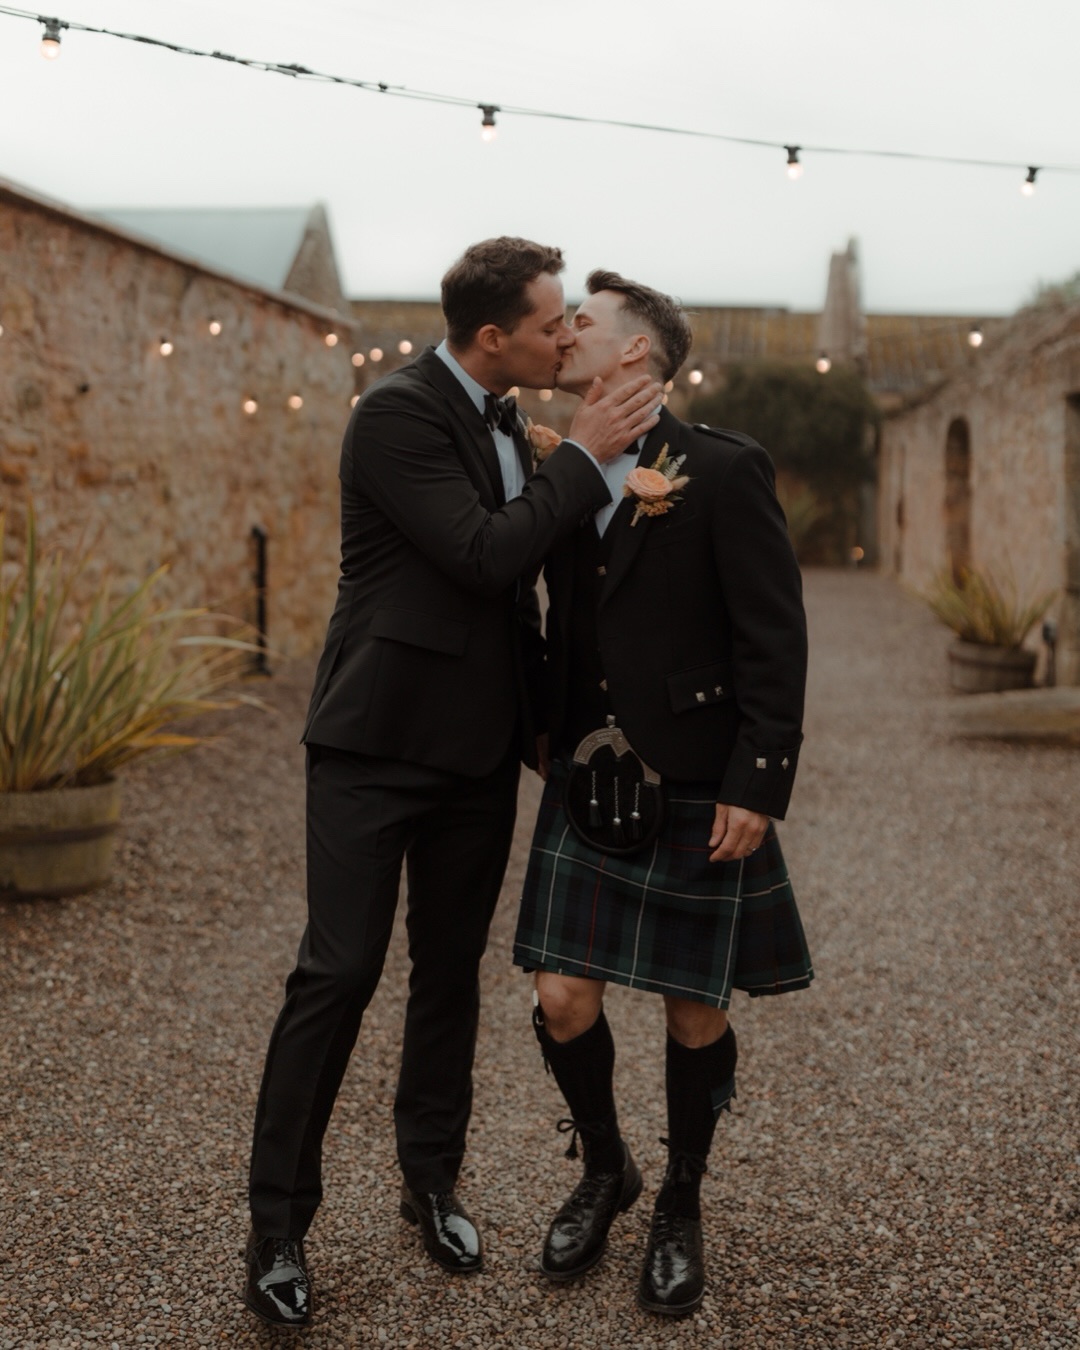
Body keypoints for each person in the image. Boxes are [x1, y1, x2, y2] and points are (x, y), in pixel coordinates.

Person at [244, 239, 664, 1328]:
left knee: (446, 979)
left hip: (477, 755)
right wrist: (580, 457)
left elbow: (515, 606)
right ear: (493, 339)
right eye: (548, 323)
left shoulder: (508, 427)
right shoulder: (394, 415)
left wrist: (548, 734)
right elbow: (481, 554)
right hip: (374, 746)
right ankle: (277, 1227)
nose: (564, 334)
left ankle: (431, 1182)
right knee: (336, 975)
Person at [513, 270, 814, 1318]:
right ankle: (607, 1167)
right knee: (560, 995)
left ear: (636, 351)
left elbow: (774, 635)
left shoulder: (723, 470)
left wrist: (759, 779)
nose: (565, 336)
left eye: (583, 324)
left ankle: (681, 1196)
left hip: (693, 772)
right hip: (587, 775)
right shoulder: (557, 463)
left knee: (694, 1013)